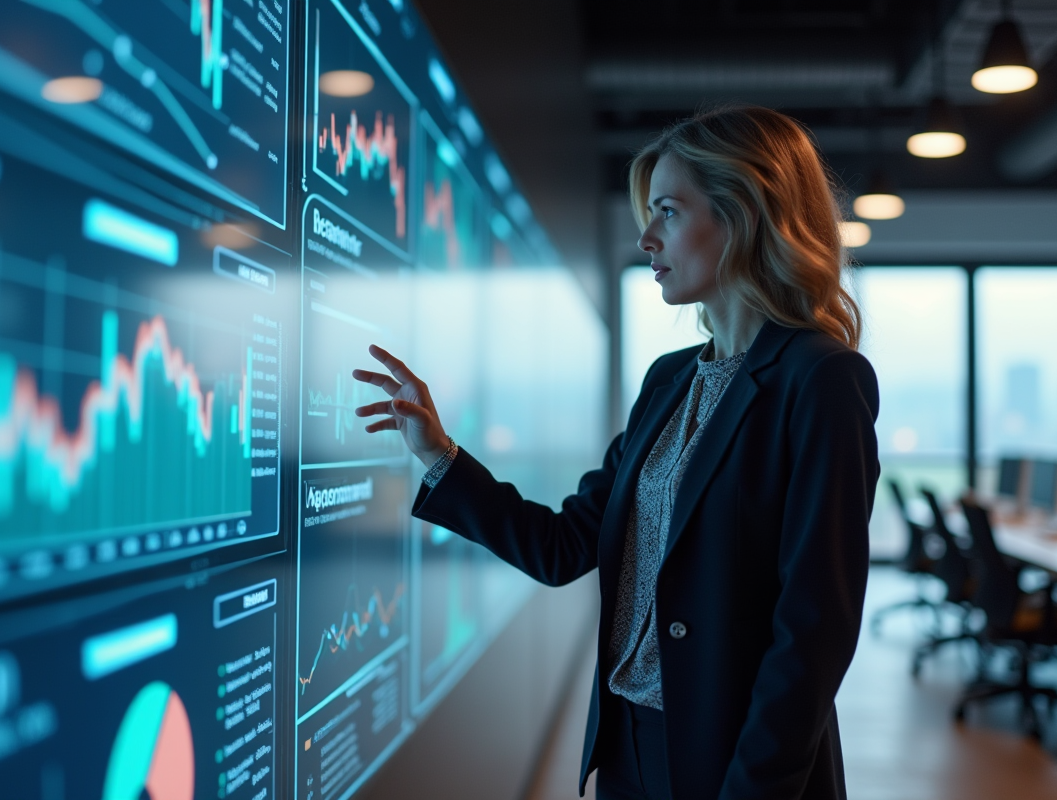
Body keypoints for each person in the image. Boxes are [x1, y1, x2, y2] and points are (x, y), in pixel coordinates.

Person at [352, 106, 879, 800]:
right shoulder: (669, 379)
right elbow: (567, 544)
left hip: (735, 763)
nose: (646, 236)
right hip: (628, 747)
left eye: (667, 211)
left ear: (742, 214)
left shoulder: (819, 379)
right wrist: (441, 456)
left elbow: (813, 634)